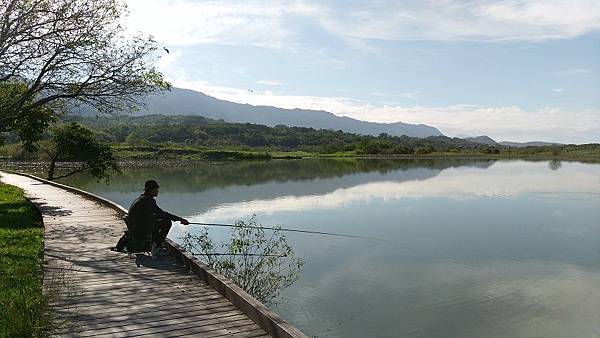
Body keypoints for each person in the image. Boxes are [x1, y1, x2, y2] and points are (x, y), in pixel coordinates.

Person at [125, 179, 189, 258]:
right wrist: (180, 219)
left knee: (158, 222)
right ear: (151, 190)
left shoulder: (142, 198)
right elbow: (161, 214)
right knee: (166, 222)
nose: (157, 191)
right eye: (156, 189)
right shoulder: (147, 200)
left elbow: (155, 214)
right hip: (138, 228)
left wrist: (178, 219)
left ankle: (155, 245)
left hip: (134, 227)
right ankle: (156, 248)